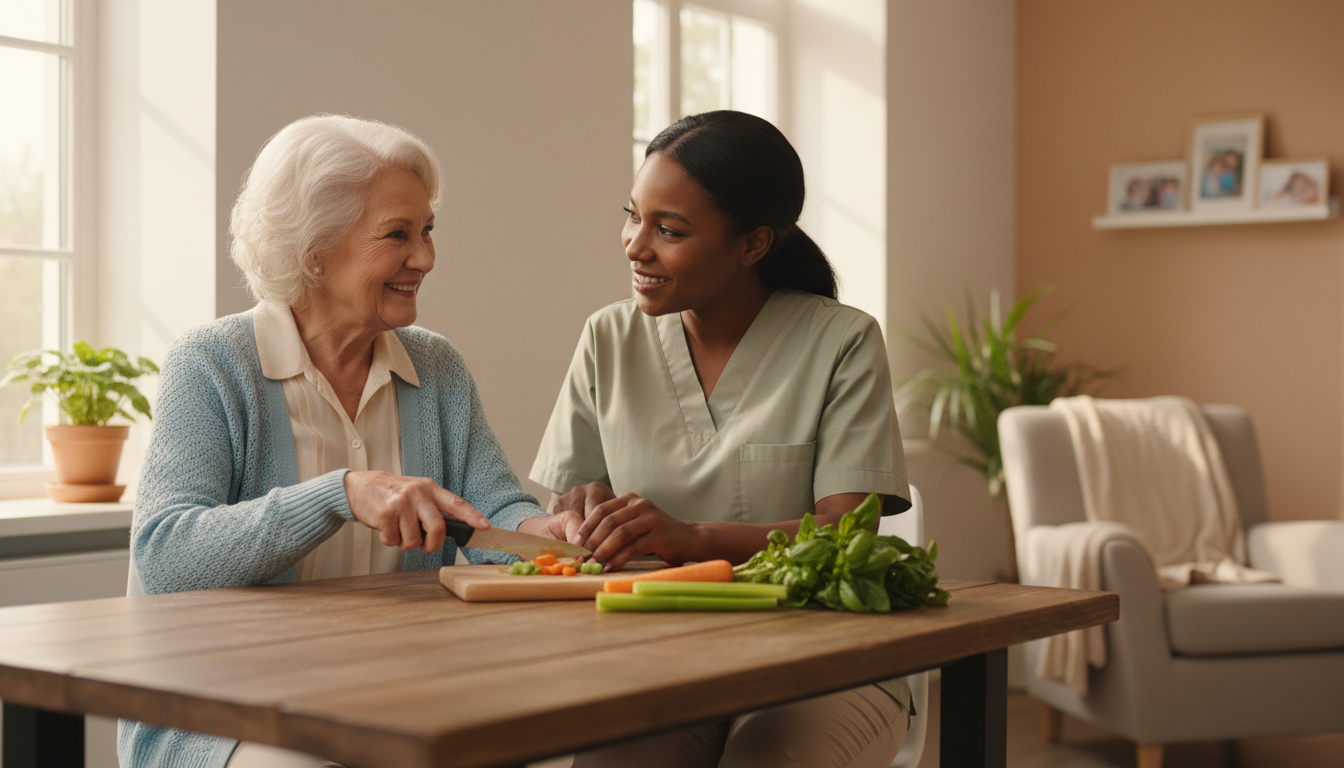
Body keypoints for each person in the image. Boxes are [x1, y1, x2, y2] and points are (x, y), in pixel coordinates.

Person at [118, 115, 581, 768]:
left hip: (406, 695)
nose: (425, 257)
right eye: (397, 235)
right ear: (313, 248)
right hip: (231, 711)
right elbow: (166, 557)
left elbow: (492, 512)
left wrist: (543, 534)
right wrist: (338, 494)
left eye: (426, 231)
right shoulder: (213, 365)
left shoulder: (436, 367)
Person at [531, 110, 913, 768]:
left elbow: (849, 541)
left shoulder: (842, 341)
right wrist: (581, 511)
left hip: (822, 657)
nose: (634, 245)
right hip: (659, 654)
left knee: (772, 758)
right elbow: (572, 497)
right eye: (633, 216)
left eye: (668, 229)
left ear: (752, 244)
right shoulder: (608, 338)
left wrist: (698, 539)